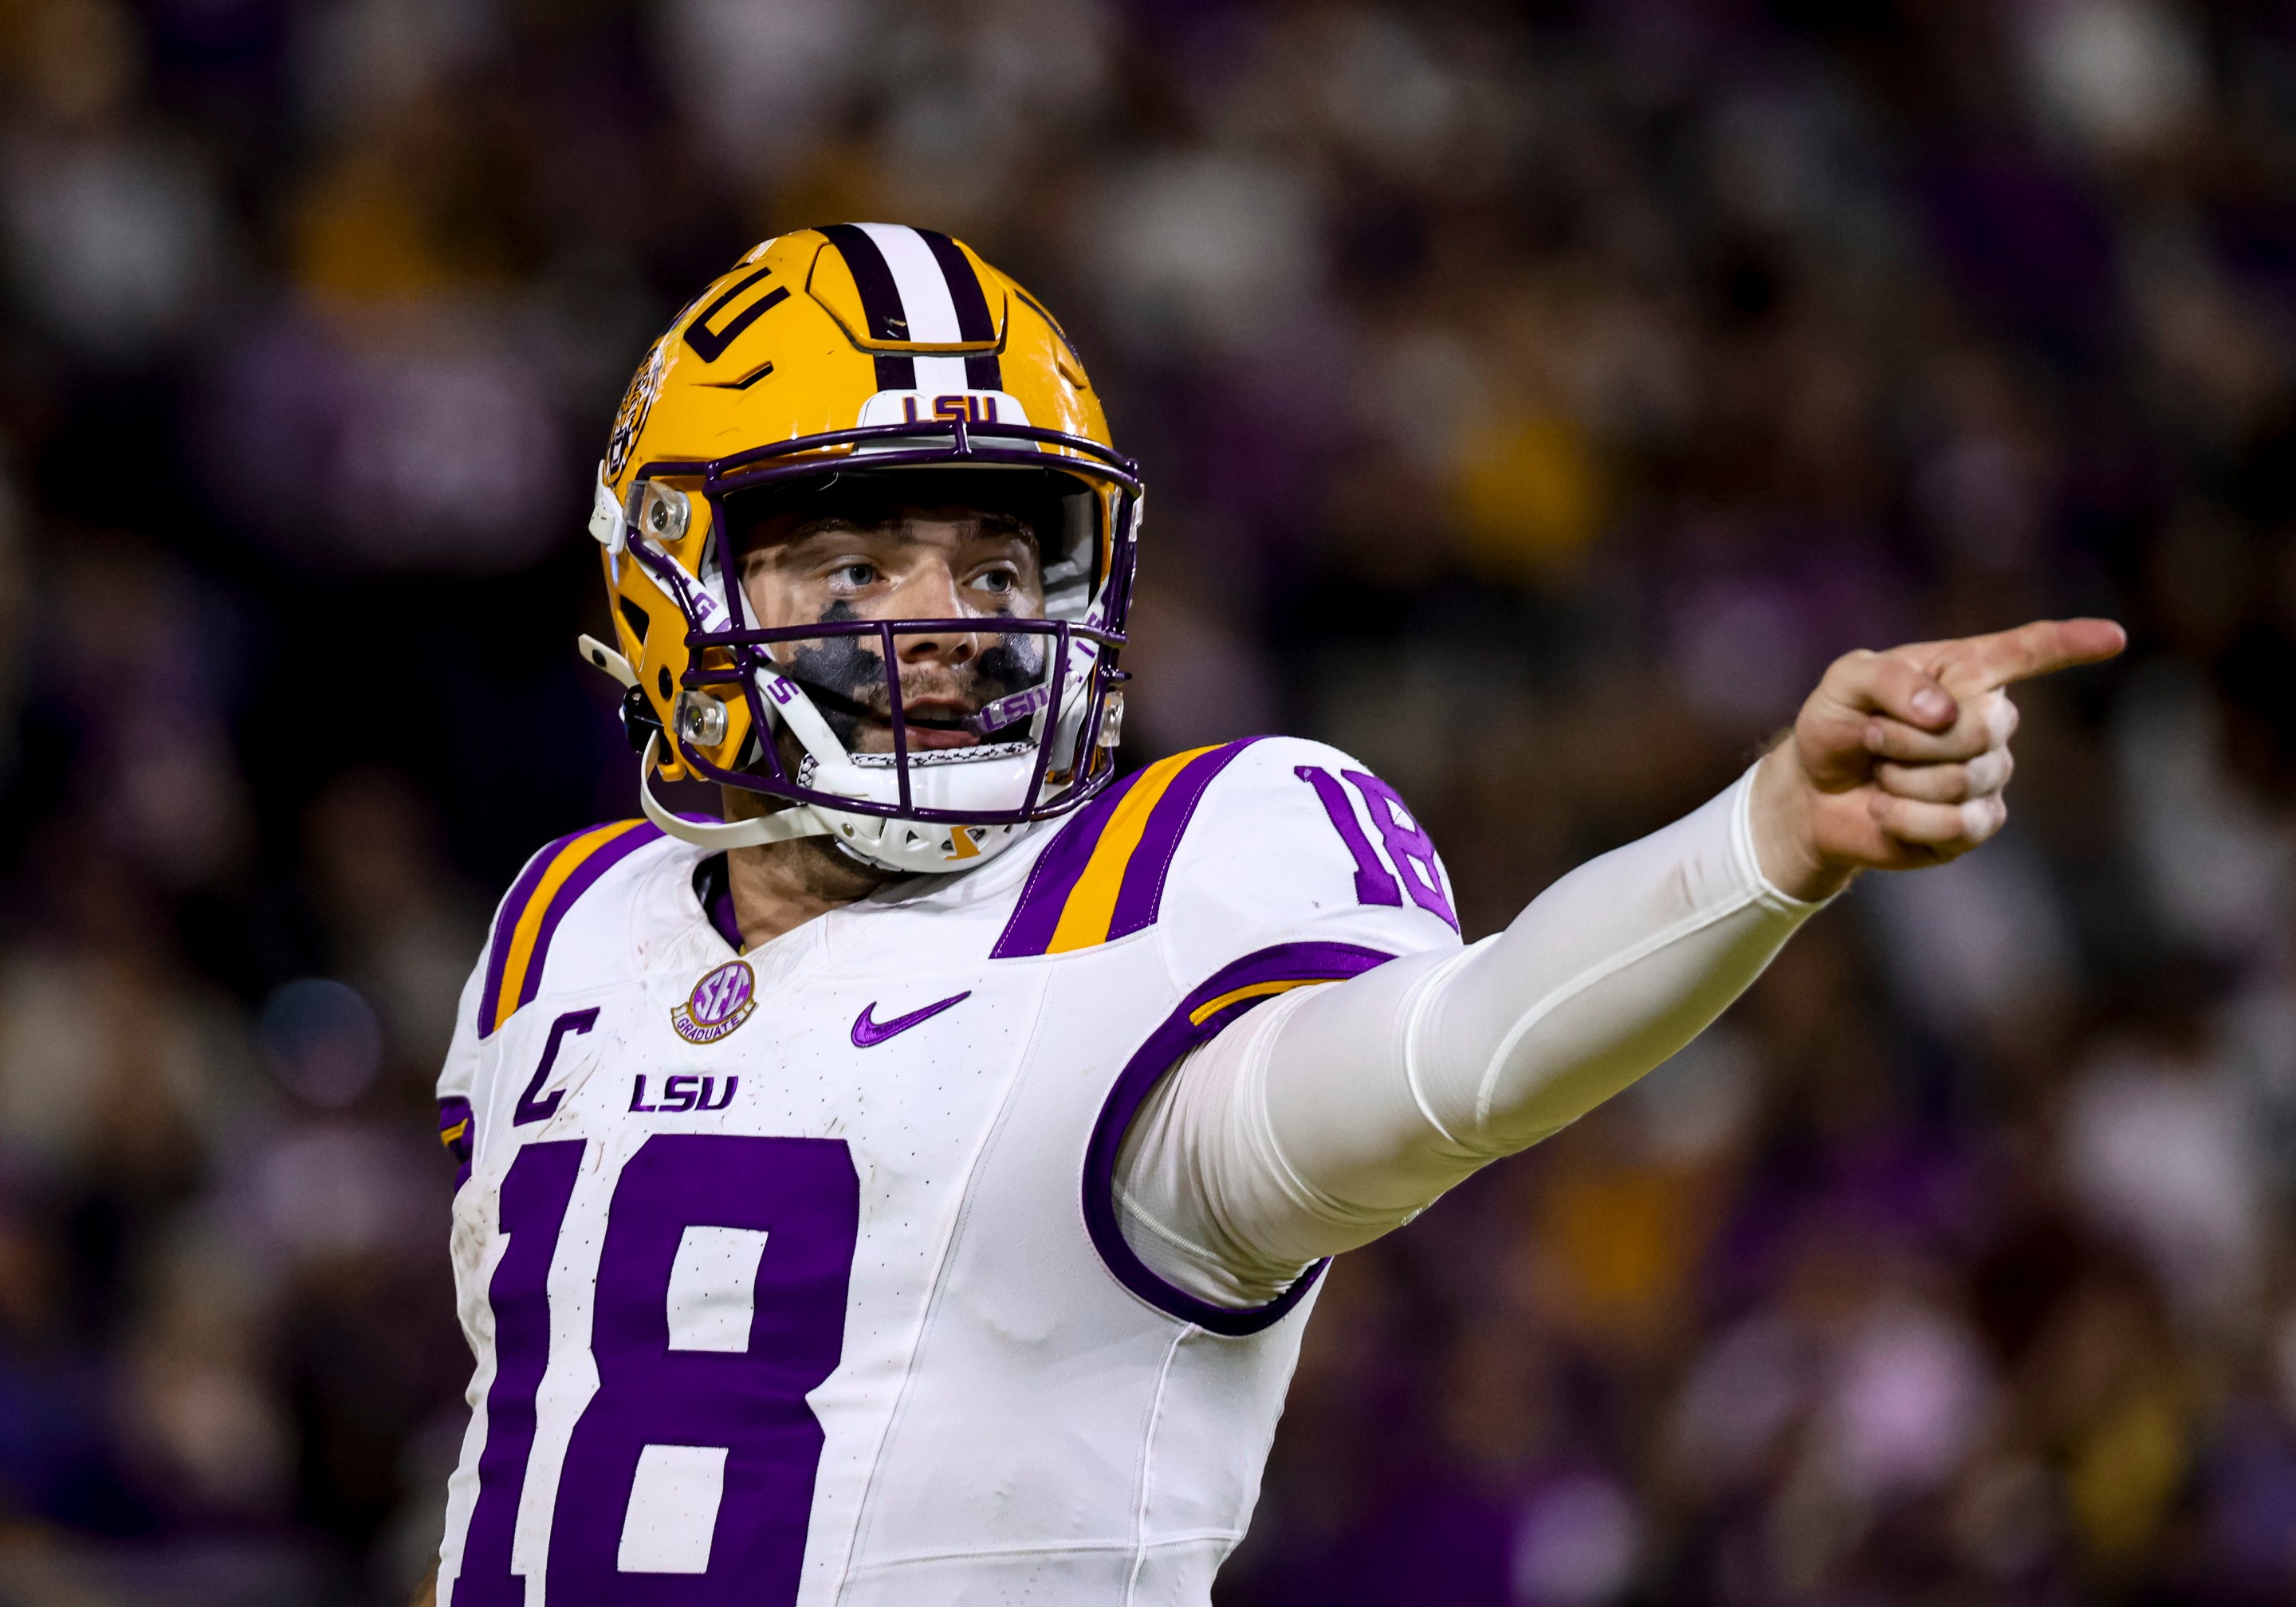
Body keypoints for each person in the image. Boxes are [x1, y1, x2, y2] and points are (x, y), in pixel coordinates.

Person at [413, 224, 2123, 1606]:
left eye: (998, 565)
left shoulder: (1162, 889)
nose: (943, 621)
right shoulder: (571, 923)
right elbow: (528, 1457)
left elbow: (1458, 1057)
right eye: (856, 564)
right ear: (667, 579)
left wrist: (1764, 837)